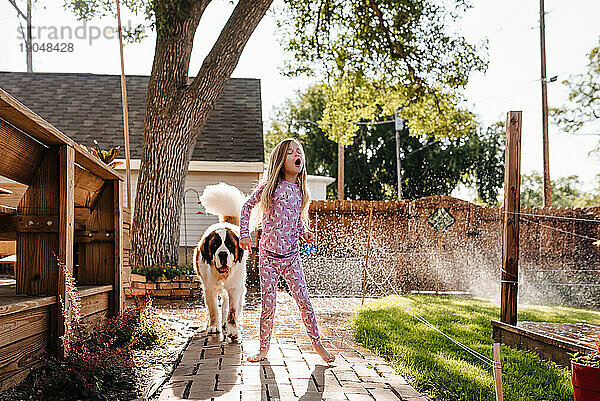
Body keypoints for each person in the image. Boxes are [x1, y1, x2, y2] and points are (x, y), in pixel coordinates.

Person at [239, 138, 335, 363]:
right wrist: (245, 233)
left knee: (304, 301)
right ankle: (263, 349)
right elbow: (246, 207)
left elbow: (296, 221)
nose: (295, 155)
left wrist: (306, 232)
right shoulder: (271, 187)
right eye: (290, 152)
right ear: (281, 160)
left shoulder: (302, 192)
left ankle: (317, 345)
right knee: (268, 306)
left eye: (298, 151)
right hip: (268, 258)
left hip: (292, 258)